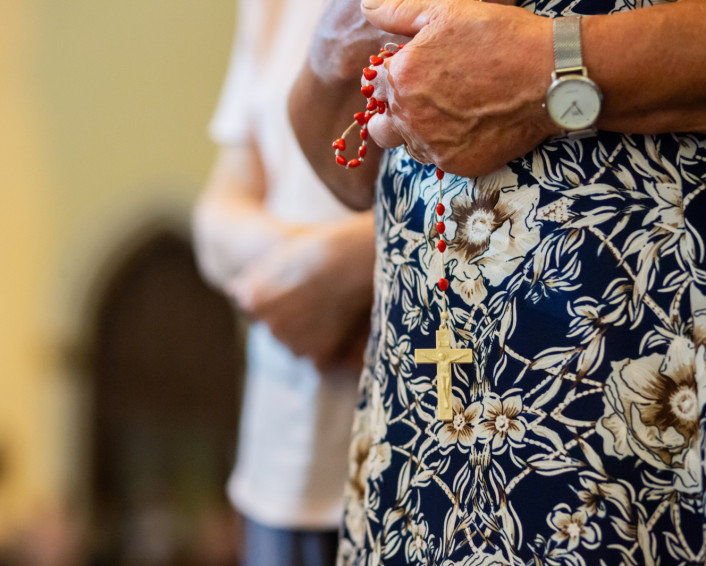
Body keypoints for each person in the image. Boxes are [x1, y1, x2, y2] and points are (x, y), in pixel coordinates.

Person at [289, 0, 706, 563]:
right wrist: (339, 35)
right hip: (419, 411)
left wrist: (554, 68)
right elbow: (347, 173)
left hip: (649, 356)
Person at [191, 0, 377, 563]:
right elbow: (215, 217)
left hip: (404, 453)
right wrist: (306, 269)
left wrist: (352, 263)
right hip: (277, 465)